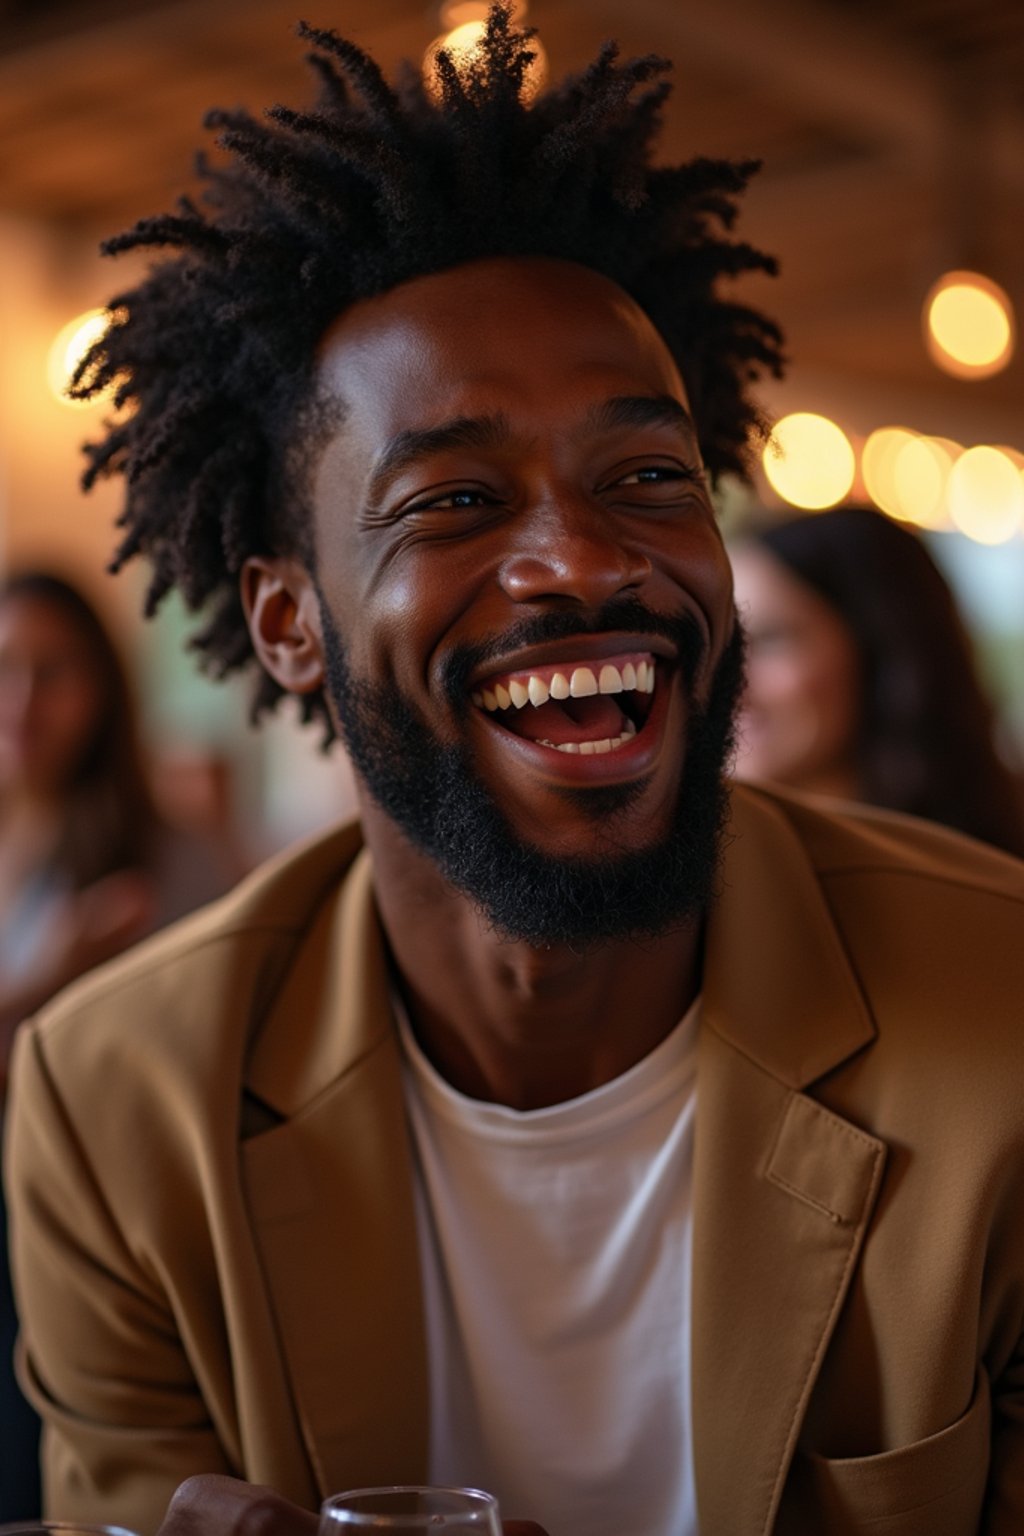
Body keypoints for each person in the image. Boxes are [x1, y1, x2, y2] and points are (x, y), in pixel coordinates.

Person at [4, 8, 1024, 1536]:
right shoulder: (117, 1111)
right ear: (291, 621)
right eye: (459, 498)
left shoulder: (1003, 1011)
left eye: (648, 478)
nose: (581, 559)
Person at [0, 571, 235, 1517]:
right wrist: (43, 981)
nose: (22, 702)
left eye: (52, 672)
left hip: (88, 1239)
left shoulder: (166, 859)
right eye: (4, 669)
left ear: (103, 689)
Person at [730, 505, 1024, 856]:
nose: (727, 680)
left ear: (882, 651)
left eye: (770, 640)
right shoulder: (694, 884)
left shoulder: (995, 875)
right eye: (720, 645)